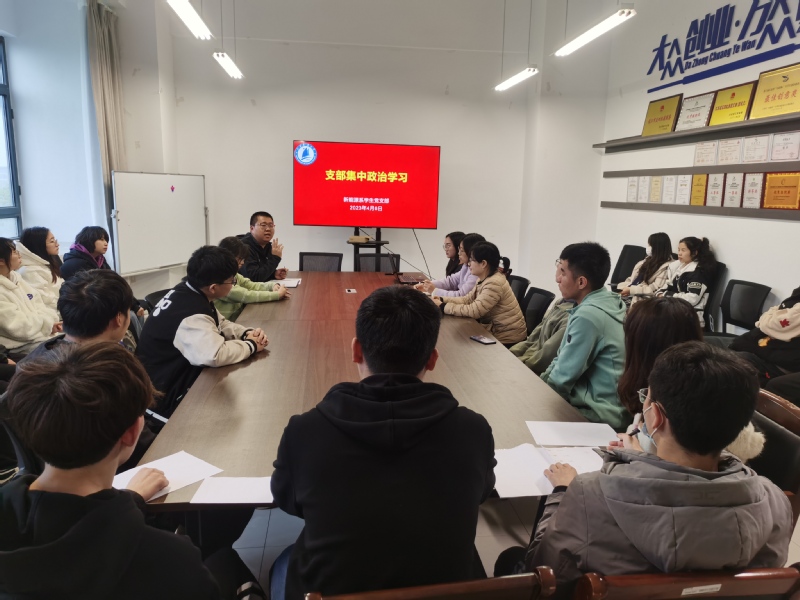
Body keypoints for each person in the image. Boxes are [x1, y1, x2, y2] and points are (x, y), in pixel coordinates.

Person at [270, 285, 496, 600]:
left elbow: (287, 501)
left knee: (282, 562)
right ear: (432, 359)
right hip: (443, 591)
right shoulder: (474, 430)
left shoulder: (304, 431)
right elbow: (482, 492)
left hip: (329, 591)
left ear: (356, 351)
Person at [513, 342, 791, 595]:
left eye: (646, 396)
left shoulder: (588, 495)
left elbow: (546, 573)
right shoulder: (775, 500)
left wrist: (563, 490)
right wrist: (640, 461)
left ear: (655, 416)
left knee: (511, 558)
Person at [0, 342, 260, 600]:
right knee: (225, 559)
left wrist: (129, 500)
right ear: (132, 432)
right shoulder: (172, 560)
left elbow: (76, 543)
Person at [18, 269, 157, 469]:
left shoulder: (31, 361)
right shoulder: (109, 371)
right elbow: (142, 445)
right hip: (120, 471)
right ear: (119, 319)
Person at [618, 297, 764, 461]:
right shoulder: (663, 390)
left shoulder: (699, 404)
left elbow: (688, 469)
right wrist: (633, 444)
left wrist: (638, 456)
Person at [135, 245, 269, 419]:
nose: (233, 284)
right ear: (213, 287)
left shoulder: (189, 291)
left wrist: (246, 333)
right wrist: (251, 346)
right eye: (231, 281)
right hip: (162, 397)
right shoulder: (191, 313)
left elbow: (219, 322)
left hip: (172, 375)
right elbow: (214, 355)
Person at [540, 242, 627, 430]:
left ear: (581, 282)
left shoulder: (588, 316)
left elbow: (562, 378)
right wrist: (540, 386)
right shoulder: (605, 301)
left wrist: (537, 401)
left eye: (563, 272)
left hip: (597, 414)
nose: (557, 278)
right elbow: (560, 360)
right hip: (603, 407)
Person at [433, 241, 526, 345]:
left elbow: (474, 311)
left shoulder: (494, 283)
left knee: (458, 342)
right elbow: (467, 299)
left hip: (508, 337)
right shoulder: (483, 278)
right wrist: (442, 299)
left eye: (472, 260)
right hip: (494, 329)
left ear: (483, 264)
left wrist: (443, 306)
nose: (469, 264)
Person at [730, 285, 800, 405]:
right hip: (764, 347)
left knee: (731, 367)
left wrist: (769, 319)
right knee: (723, 361)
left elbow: (776, 324)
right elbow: (774, 316)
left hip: (779, 361)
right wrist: (771, 320)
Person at [0, 238, 61, 357]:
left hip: (41, 337)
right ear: (1, 261)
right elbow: (19, 327)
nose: (19, 255)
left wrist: (49, 325)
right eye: (14, 252)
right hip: (19, 348)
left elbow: (40, 305)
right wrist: (47, 326)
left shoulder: (16, 278)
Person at [215, 236, 291, 321]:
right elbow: (246, 295)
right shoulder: (218, 279)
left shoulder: (233, 274)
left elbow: (251, 285)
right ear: (227, 256)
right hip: (226, 325)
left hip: (238, 320)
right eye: (239, 259)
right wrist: (277, 295)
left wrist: (272, 286)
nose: (242, 262)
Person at [656, 236, 718, 328]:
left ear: (694, 253)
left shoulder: (698, 273)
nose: (679, 253)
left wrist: (667, 295)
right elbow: (667, 286)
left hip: (690, 317)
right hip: (675, 310)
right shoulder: (679, 267)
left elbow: (692, 299)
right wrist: (660, 293)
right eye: (678, 250)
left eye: (683, 250)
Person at [509, 295, 576, 375]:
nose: (558, 283)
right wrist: (511, 353)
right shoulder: (561, 302)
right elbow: (534, 337)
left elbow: (546, 357)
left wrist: (519, 364)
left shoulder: (572, 316)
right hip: (532, 355)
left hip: (537, 369)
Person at [415, 233, 484, 297]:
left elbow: (461, 295)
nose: (459, 253)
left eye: (462, 250)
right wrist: (427, 285)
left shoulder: (476, 272)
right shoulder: (465, 266)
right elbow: (451, 281)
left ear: (471, 251)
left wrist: (434, 291)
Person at [17, 226, 64, 315]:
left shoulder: (47, 263)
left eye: (55, 240)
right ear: (39, 245)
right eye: (52, 241)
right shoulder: (29, 271)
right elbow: (45, 302)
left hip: (63, 310)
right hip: (54, 316)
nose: (57, 244)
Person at [616, 232, 672, 306]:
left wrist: (631, 290)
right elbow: (633, 280)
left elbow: (655, 289)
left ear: (657, 247)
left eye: (650, 245)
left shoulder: (667, 267)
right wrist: (623, 288)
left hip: (644, 301)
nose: (648, 248)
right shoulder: (645, 261)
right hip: (631, 294)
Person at [240, 211, 288, 282]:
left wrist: (273, 274)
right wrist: (275, 258)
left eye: (271, 225)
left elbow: (260, 272)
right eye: (263, 225)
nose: (268, 229)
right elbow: (253, 278)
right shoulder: (243, 247)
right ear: (252, 228)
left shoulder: (267, 246)